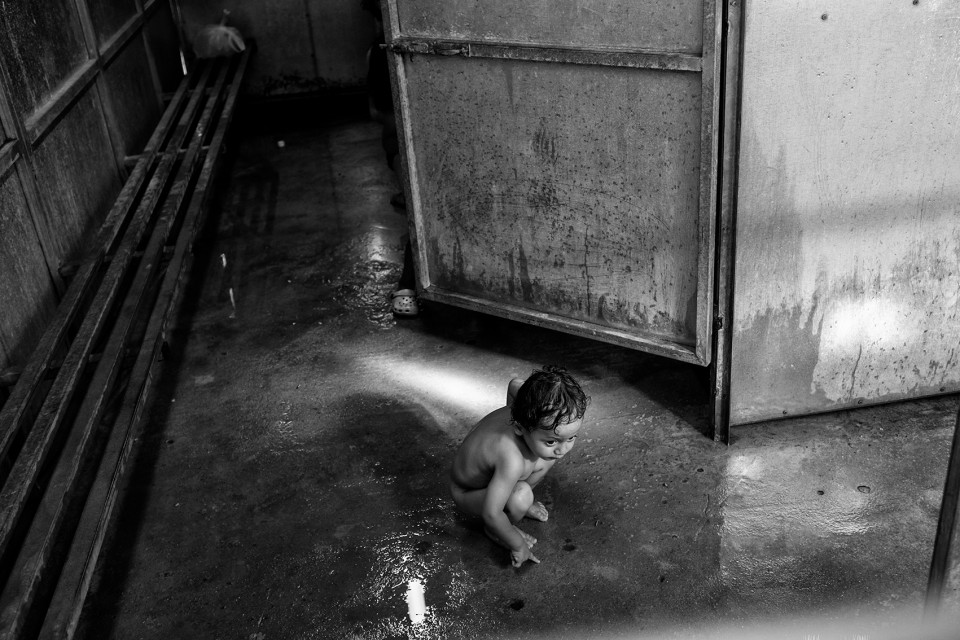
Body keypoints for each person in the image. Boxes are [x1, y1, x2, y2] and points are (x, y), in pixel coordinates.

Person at [449, 366, 589, 567]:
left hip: (498, 472)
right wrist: (517, 545)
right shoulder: (511, 460)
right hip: (467, 492)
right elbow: (491, 511)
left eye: (572, 437)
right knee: (520, 496)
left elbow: (514, 385)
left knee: (545, 458)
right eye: (552, 441)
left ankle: (511, 495)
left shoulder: (528, 402)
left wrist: (543, 441)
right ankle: (496, 529)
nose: (563, 449)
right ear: (519, 428)